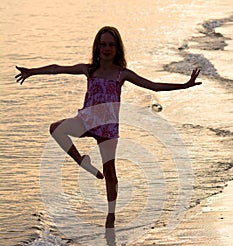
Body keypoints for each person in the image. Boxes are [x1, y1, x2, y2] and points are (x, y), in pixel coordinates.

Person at [15, 26, 201, 228]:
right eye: (103, 44)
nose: (107, 48)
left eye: (111, 45)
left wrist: (184, 85)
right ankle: (82, 162)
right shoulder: (90, 70)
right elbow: (57, 68)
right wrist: (32, 71)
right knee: (56, 128)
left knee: (110, 171)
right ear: (97, 47)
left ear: (117, 48)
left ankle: (111, 214)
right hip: (87, 120)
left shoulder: (122, 74)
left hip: (108, 129)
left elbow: (153, 85)